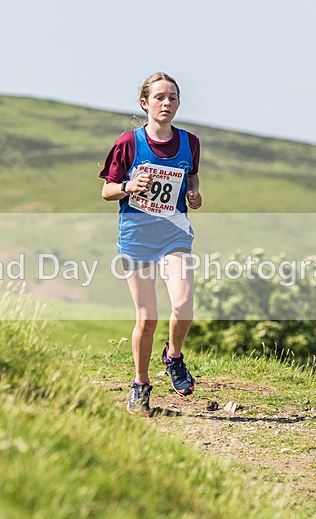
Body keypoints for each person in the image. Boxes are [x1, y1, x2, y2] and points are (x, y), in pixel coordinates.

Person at [99, 72, 202, 414]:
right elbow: (106, 191)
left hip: (174, 234)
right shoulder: (129, 143)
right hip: (137, 238)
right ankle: (141, 384)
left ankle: (173, 356)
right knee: (147, 318)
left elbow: (192, 175)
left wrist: (193, 192)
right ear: (145, 103)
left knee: (184, 305)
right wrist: (129, 186)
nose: (166, 103)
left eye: (172, 97)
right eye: (159, 97)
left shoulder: (190, 142)